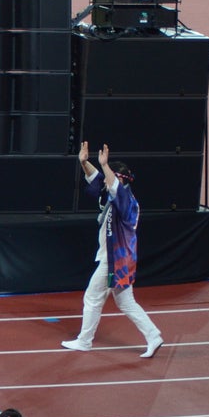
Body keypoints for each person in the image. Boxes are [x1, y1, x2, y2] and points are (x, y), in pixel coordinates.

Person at [61, 142, 163, 358]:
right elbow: (97, 179)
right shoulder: (112, 196)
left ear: (118, 179)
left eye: (110, 178)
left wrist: (105, 165)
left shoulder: (126, 200)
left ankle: (85, 341)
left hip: (115, 260)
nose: (105, 183)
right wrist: (83, 162)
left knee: (92, 297)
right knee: (126, 302)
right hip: (119, 259)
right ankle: (153, 335)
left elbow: (112, 184)